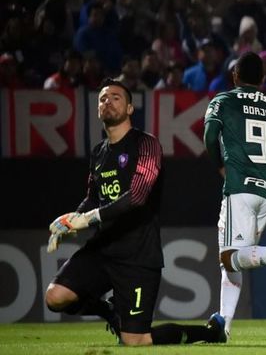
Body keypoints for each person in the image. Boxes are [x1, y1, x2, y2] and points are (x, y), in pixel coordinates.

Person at [45, 79, 225, 346]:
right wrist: (70, 220)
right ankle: (110, 311)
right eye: (103, 99)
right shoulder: (99, 153)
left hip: (137, 256)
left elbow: (138, 196)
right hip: (102, 250)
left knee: (136, 341)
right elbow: (93, 198)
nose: (108, 101)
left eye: (116, 97)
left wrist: (88, 219)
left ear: (130, 108)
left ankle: (211, 333)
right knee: (55, 297)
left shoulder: (147, 144)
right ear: (97, 110)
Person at [203, 51, 266, 340]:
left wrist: (221, 165)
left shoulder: (223, 101)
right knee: (239, 257)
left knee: (228, 258)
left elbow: (210, 138)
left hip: (240, 187)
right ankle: (224, 326)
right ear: (263, 79)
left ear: (234, 76)